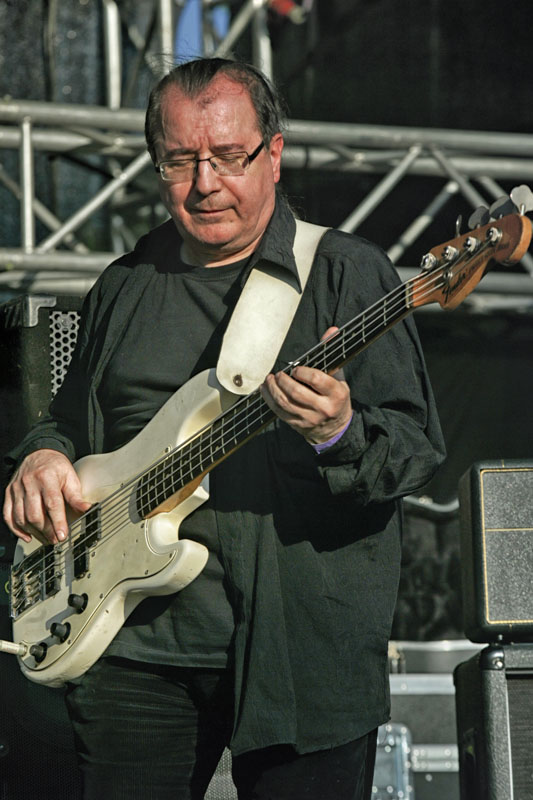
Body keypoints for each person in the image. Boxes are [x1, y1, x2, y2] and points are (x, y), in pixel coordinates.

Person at [3, 57, 445, 800]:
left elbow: (413, 451)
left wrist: (338, 431)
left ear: (272, 154)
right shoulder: (128, 282)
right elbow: (66, 422)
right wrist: (42, 455)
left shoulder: (345, 274)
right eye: (181, 161)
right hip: (133, 647)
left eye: (229, 157)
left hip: (300, 649)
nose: (206, 183)